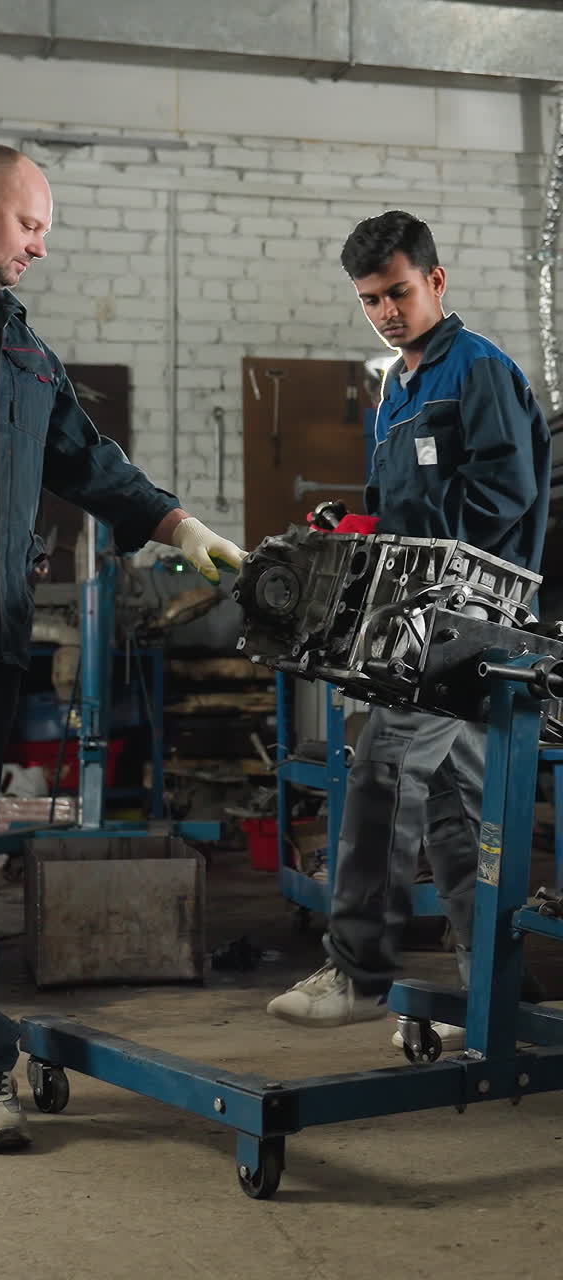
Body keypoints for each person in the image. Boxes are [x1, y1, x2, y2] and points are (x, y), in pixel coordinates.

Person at [0, 145, 245, 1150]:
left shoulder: (18, 343)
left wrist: (178, 524)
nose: (42, 244)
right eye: (30, 224)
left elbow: (85, 457)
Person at [268, 210, 551, 1040]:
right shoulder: (395, 386)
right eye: (369, 300)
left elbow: (505, 496)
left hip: (471, 626)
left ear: (434, 280)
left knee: (383, 769)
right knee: (460, 815)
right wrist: (359, 534)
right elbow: (402, 510)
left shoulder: (478, 372)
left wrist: (425, 565)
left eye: (397, 291)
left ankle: (358, 972)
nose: (386, 311)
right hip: (414, 624)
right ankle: (499, 996)